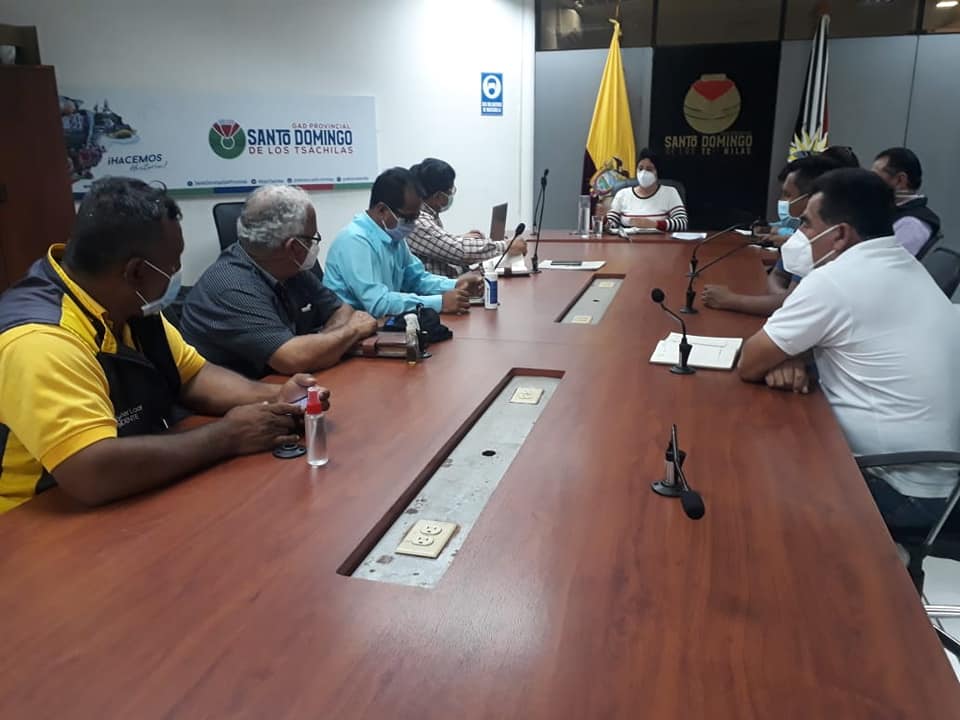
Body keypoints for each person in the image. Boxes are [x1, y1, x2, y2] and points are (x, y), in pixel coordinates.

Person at [0, 178, 329, 514]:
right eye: (173, 265)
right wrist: (228, 436)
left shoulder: (129, 304)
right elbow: (92, 471)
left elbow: (193, 376)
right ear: (136, 271)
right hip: (38, 518)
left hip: (136, 486)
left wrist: (276, 397)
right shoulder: (39, 340)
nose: (177, 274)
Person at [739, 168, 960, 528]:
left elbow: (750, 362)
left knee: (746, 470)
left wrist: (785, 354)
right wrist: (791, 354)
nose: (800, 235)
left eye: (807, 224)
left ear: (840, 234)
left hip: (895, 486)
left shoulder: (834, 281)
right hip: (942, 483)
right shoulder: (906, 265)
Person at [180, 185, 376, 378]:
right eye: (312, 239)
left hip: (287, 383)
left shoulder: (291, 269)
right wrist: (352, 330)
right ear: (294, 247)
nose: (313, 246)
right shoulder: (231, 287)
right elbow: (293, 359)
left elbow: (342, 310)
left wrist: (323, 344)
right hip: (244, 393)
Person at [323, 167, 482, 317]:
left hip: (379, 323)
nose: (412, 224)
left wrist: (455, 285)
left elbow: (417, 279)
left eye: (415, 217)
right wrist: (439, 303)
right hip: (350, 329)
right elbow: (378, 303)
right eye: (408, 218)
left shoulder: (393, 236)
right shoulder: (355, 241)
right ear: (382, 210)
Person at [702, 154, 839, 316]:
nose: (782, 200)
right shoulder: (801, 232)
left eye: (787, 194)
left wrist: (731, 300)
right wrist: (782, 299)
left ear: (812, 198)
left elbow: (792, 304)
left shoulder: (826, 241)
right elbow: (778, 277)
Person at [407, 158, 527, 278]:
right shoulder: (418, 221)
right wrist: (506, 246)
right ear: (438, 196)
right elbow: (459, 252)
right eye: (450, 191)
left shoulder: (430, 214)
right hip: (442, 286)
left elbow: (440, 244)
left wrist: (459, 239)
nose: (451, 195)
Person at [871, 147, 942, 257]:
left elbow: (886, 262)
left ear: (900, 180)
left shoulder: (912, 225)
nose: (869, 182)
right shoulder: (890, 210)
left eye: (875, 177)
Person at [605, 149, 687, 233]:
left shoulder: (670, 192)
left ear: (657, 172)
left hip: (660, 240)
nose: (643, 173)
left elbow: (682, 223)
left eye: (649, 169)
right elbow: (609, 225)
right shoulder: (622, 194)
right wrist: (602, 218)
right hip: (627, 239)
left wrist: (654, 224)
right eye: (640, 168)